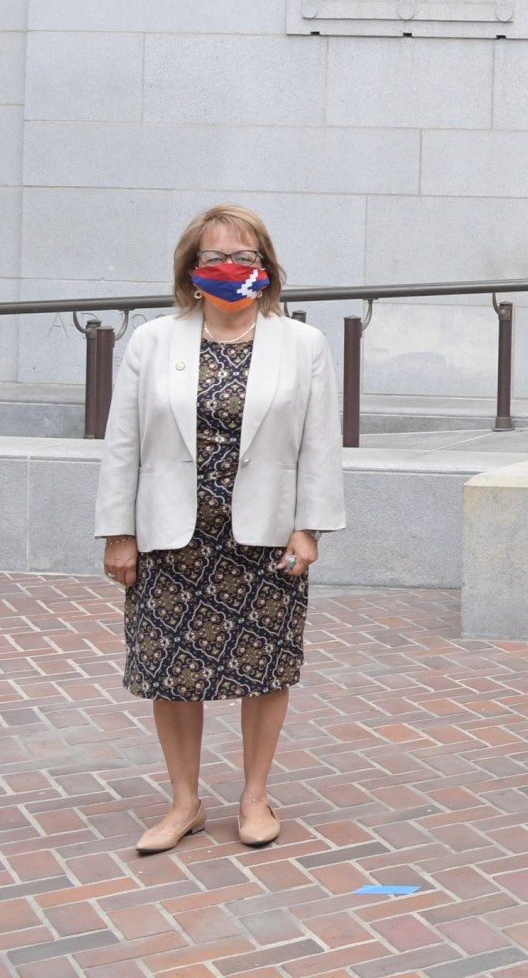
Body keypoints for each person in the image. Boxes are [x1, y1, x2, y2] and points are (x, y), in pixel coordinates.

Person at [95, 205, 345, 856]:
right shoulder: (152, 341)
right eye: (215, 258)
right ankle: (185, 801)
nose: (231, 267)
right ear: (191, 268)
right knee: (172, 669)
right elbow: (122, 443)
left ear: (266, 267)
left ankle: (254, 795)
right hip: (171, 537)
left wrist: (310, 528)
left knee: (264, 666)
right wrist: (117, 532)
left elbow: (321, 446)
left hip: (263, 537)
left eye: (246, 256)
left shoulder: (302, 344)